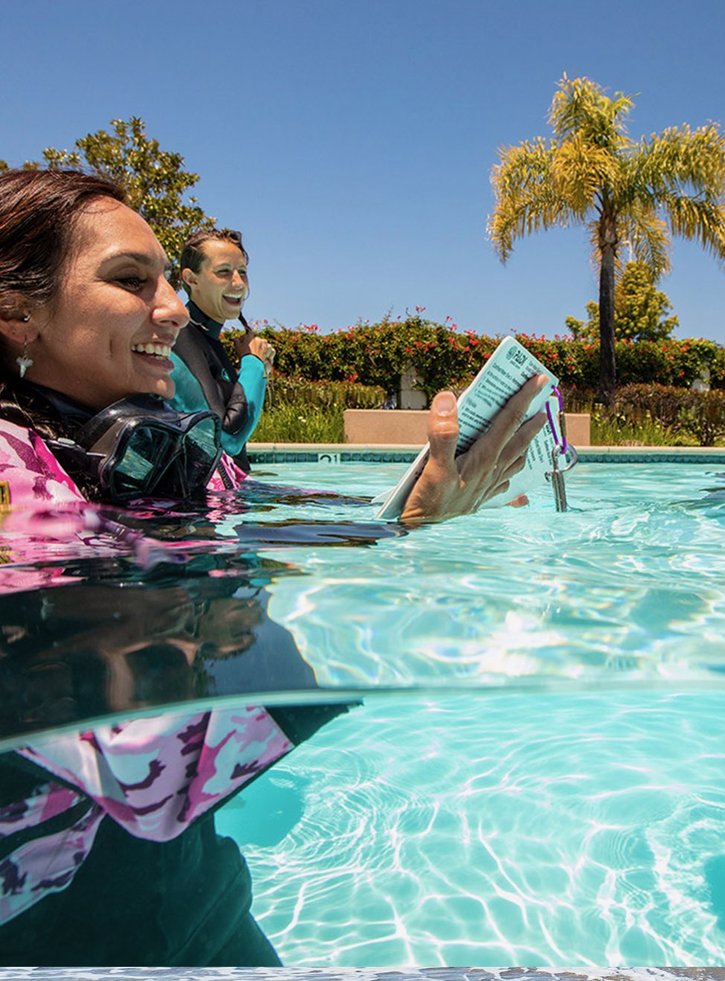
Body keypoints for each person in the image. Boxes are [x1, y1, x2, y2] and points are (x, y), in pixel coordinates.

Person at [0, 168, 547, 965]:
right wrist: (398, 573)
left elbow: (298, 524)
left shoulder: (159, 452)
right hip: (57, 932)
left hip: (193, 884)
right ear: (16, 310)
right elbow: (145, 770)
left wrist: (410, 514)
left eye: (166, 279)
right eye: (129, 280)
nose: (173, 307)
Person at [170, 227, 272, 472]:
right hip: (203, 505)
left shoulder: (209, 340)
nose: (238, 283)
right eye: (224, 272)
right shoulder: (181, 336)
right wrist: (253, 363)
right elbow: (226, 439)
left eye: (243, 273)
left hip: (226, 498)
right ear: (191, 279)